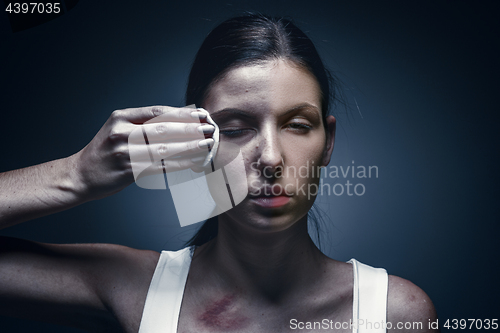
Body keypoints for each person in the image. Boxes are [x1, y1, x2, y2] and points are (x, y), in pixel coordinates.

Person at [0, 14, 438, 332]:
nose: (270, 157)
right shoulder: (132, 286)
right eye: (234, 128)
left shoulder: (394, 313)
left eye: (298, 125)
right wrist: (74, 175)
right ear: (195, 144)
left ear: (329, 142)